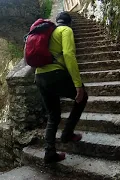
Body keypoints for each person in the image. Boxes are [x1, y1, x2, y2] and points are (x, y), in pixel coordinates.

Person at [34, 11, 88, 163]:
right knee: (83, 97)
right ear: (69, 22)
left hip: (39, 76)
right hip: (55, 74)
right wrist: (78, 84)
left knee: (53, 115)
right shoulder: (66, 30)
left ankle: (49, 152)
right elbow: (69, 55)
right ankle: (67, 134)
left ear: (57, 21)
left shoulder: (48, 33)